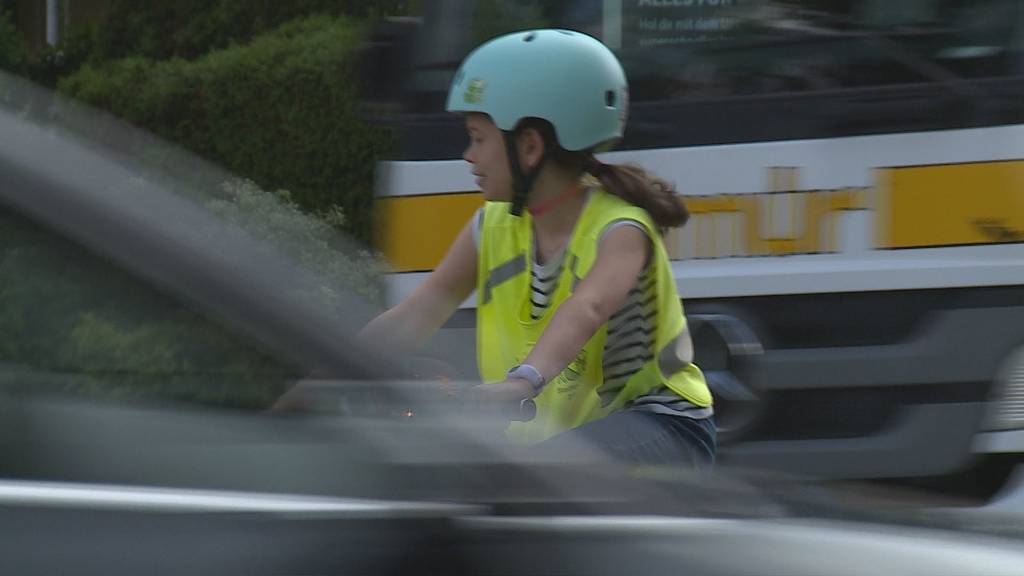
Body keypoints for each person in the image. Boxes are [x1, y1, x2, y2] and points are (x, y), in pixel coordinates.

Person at [362, 29, 715, 468]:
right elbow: (417, 312)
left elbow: (588, 306)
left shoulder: (621, 229)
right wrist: (325, 374)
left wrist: (522, 382)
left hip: (663, 429)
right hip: (562, 443)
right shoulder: (491, 226)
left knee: (526, 487)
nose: (468, 156)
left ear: (529, 146)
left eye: (478, 137)